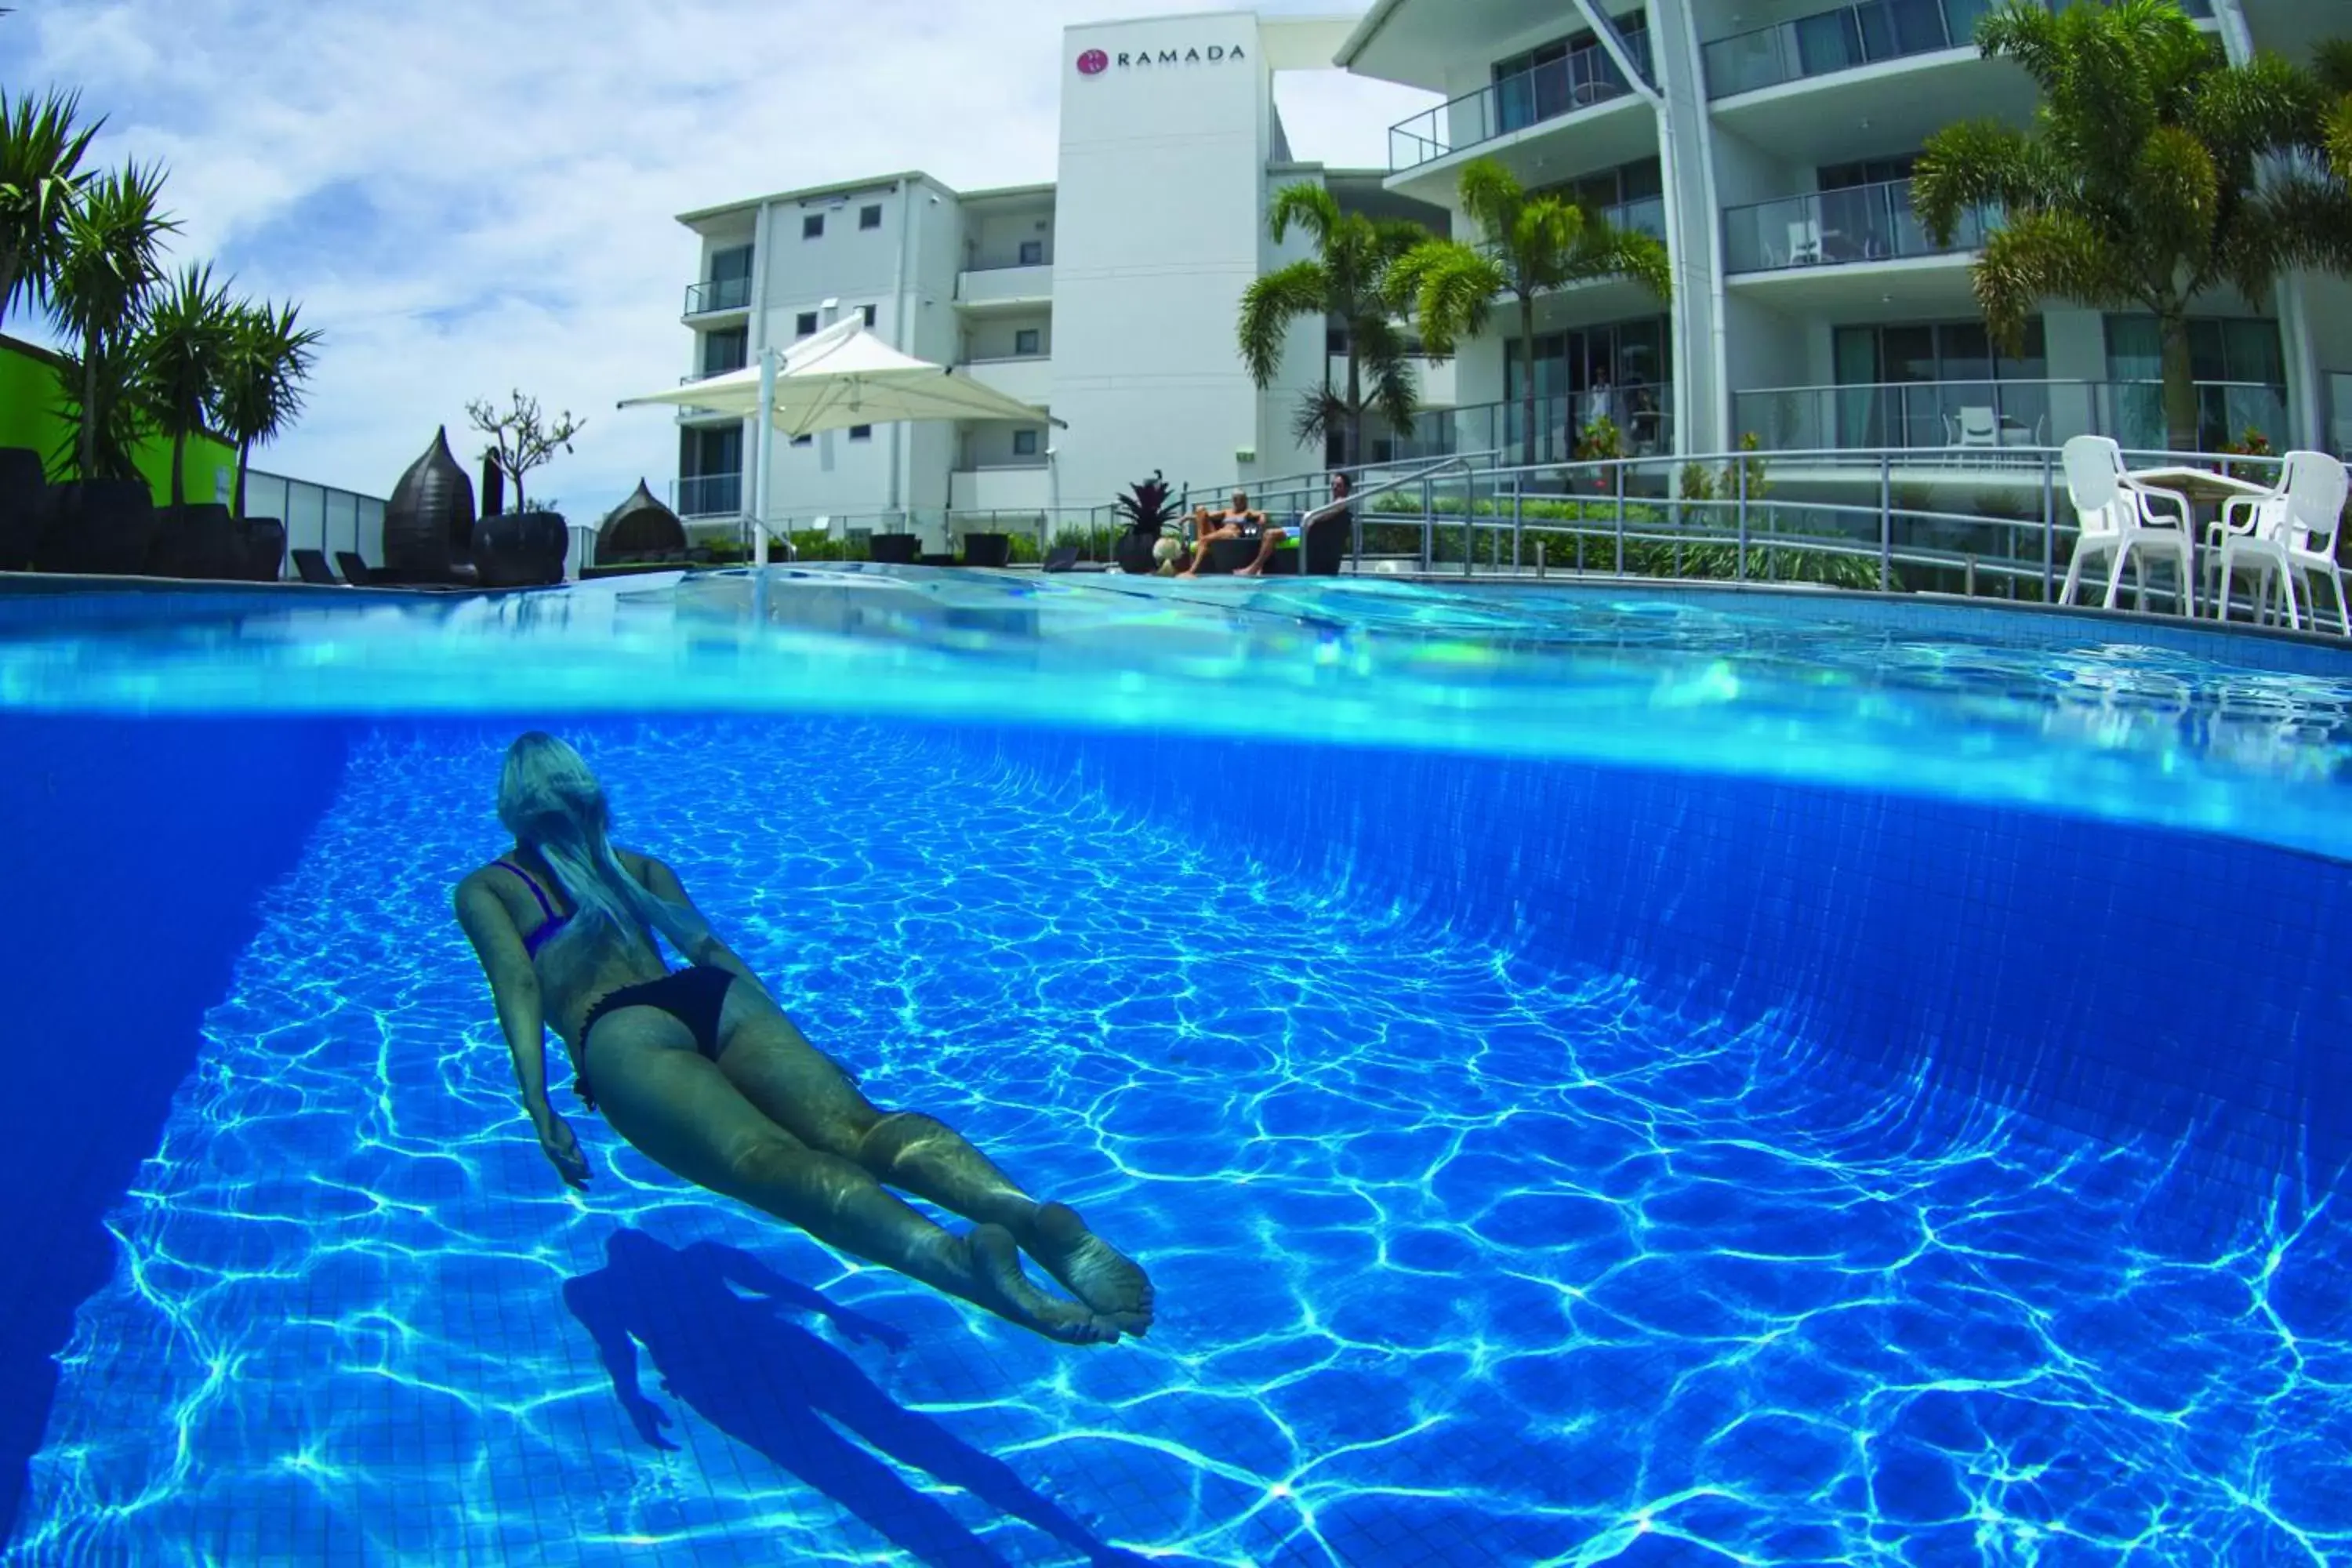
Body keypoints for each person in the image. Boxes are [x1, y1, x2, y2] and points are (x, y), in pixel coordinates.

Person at [454, 732, 1154, 1345]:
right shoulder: (637, 867)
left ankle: (953, 1260)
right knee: (864, 1128)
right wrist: (798, 1041)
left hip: (620, 1027)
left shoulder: (490, 888)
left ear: (511, 808)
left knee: (768, 1160)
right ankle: (1023, 1212)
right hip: (714, 1000)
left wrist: (538, 1102)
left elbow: (516, 984)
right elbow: (711, 952)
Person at [1176, 490, 1267, 578]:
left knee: (1205, 539)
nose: (1238, 502)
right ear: (1232, 500)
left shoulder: (1247, 512)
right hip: (1220, 533)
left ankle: (1192, 570)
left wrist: (1262, 518)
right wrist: (1187, 518)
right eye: (1235, 499)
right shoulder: (1227, 512)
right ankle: (1204, 546)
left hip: (1232, 534)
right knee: (1201, 510)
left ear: (1245, 500)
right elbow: (1206, 516)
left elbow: (1261, 514)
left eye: (1241, 499)